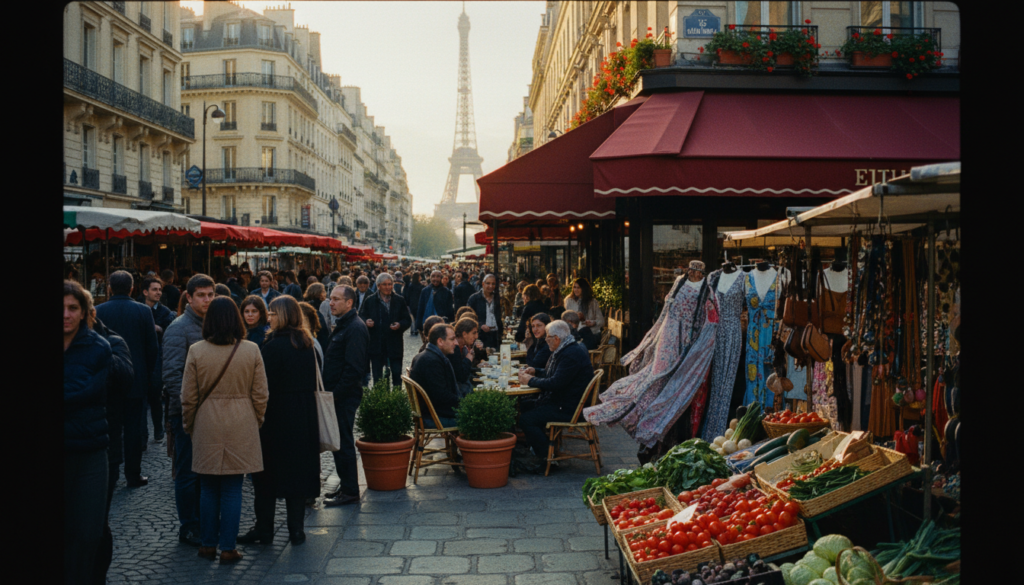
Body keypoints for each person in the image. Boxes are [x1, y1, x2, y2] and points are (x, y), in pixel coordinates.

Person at [181, 297, 268, 563]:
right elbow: (261, 394)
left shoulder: (196, 350)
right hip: (241, 421)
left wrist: (189, 425)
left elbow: (188, 397)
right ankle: (228, 548)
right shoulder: (251, 349)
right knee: (232, 487)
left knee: (207, 487)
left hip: (207, 422)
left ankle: (208, 544)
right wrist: (256, 420)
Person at [237, 296, 320, 546]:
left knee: (265, 475)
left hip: (276, 416)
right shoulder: (306, 343)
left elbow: (262, 384)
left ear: (282, 316)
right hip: (303, 414)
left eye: (272, 313)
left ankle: (264, 528)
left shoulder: (272, 346)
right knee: (297, 474)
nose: (269, 317)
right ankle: (296, 530)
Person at [163, 273, 217, 547]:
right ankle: (189, 525)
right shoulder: (178, 328)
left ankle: (205, 520)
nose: (207, 300)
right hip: (185, 413)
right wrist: (189, 410)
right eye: (201, 295)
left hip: (213, 414)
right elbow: (173, 375)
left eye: (210, 295)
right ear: (189, 296)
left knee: (207, 470)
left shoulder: (215, 323)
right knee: (187, 473)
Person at [64, 280, 113, 583]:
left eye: (72, 308)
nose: (65, 314)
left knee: (89, 531)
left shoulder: (99, 347)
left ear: (84, 312)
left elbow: (92, 391)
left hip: (91, 452)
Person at [95, 270, 159, 488]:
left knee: (111, 427)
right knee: (133, 430)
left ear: (110, 288)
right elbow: (152, 347)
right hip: (136, 378)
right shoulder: (143, 311)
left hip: (108, 378)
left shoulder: (98, 310)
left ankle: (110, 473)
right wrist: (146, 373)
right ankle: (133, 474)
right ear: (132, 288)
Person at [89, 297, 135, 585]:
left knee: (95, 525)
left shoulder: (110, 343)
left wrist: (98, 347)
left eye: (73, 309)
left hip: (103, 445)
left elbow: (125, 378)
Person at [516, 320, 595, 468]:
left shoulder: (570, 354)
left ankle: (547, 458)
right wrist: (536, 371)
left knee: (526, 420)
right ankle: (540, 449)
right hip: (564, 401)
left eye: (548, 337)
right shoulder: (564, 349)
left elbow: (555, 383)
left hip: (569, 407)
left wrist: (531, 380)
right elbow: (553, 375)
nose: (546, 340)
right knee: (525, 405)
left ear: (557, 338)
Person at [322, 285, 370, 507]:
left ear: (349, 303)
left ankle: (351, 491)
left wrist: (335, 395)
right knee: (339, 442)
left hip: (344, 397)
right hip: (338, 395)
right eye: (330, 298)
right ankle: (346, 485)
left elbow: (354, 369)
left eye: (336, 299)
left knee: (343, 443)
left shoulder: (355, 327)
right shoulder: (345, 324)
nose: (331, 302)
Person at [359, 273, 411, 388]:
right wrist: (366, 321)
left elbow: (407, 320)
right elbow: (361, 316)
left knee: (397, 375)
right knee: (378, 377)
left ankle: (397, 400)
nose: (388, 287)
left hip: (395, 344)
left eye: (390, 284)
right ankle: (380, 401)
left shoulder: (399, 300)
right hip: (377, 344)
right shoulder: (370, 300)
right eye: (385, 284)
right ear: (378, 286)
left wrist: (400, 325)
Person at [140, 276, 175, 443]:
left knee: (155, 395)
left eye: (160, 289)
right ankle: (143, 433)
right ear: (145, 291)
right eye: (155, 289)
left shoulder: (164, 312)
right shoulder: (137, 308)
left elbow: (169, 331)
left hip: (157, 358)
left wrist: (159, 328)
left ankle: (158, 429)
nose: (158, 292)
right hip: (139, 357)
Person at [409, 324, 462, 428]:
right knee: (479, 417)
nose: (456, 343)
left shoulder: (428, 355)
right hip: (434, 417)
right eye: (452, 339)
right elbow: (441, 396)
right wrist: (466, 402)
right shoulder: (431, 361)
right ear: (440, 342)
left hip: (433, 413)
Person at [467, 274, 503, 350]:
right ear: (483, 284)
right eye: (488, 283)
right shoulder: (474, 298)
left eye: (493, 284)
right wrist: (480, 325)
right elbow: (468, 317)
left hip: (495, 335)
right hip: (481, 335)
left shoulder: (497, 298)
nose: (491, 286)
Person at [450, 318, 483, 397]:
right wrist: (468, 359)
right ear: (464, 334)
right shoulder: (455, 348)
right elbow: (461, 377)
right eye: (474, 333)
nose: (476, 336)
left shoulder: (463, 347)